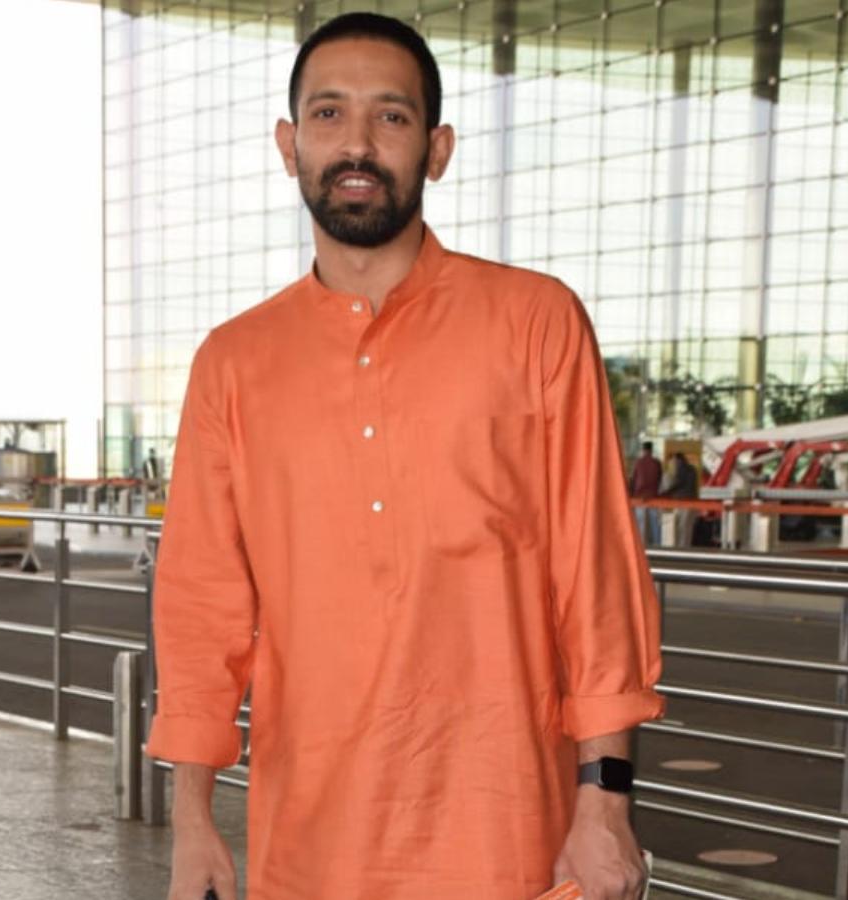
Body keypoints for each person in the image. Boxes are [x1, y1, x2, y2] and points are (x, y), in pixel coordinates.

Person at [151, 14, 663, 900]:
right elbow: (202, 608)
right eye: (327, 115)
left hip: (510, 839)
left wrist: (605, 803)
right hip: (309, 851)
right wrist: (191, 821)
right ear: (289, 145)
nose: (356, 142)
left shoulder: (535, 324)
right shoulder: (234, 362)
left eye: (390, 117)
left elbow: (598, 581)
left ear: (437, 148)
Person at [628, 441, 663, 547]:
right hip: (653, 495)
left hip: (639, 497)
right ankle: (657, 544)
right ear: (651, 450)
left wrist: (631, 494)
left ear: (643, 450)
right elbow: (659, 479)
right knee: (655, 523)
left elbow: (633, 479)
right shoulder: (656, 463)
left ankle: (641, 545)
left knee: (640, 523)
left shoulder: (638, 462)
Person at [663, 452, 699, 548]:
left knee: (682, 527)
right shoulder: (693, 469)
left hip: (682, 501)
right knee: (688, 527)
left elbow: (678, 483)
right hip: (692, 501)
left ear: (678, 460)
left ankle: (681, 548)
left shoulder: (681, 468)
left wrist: (666, 492)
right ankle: (686, 547)